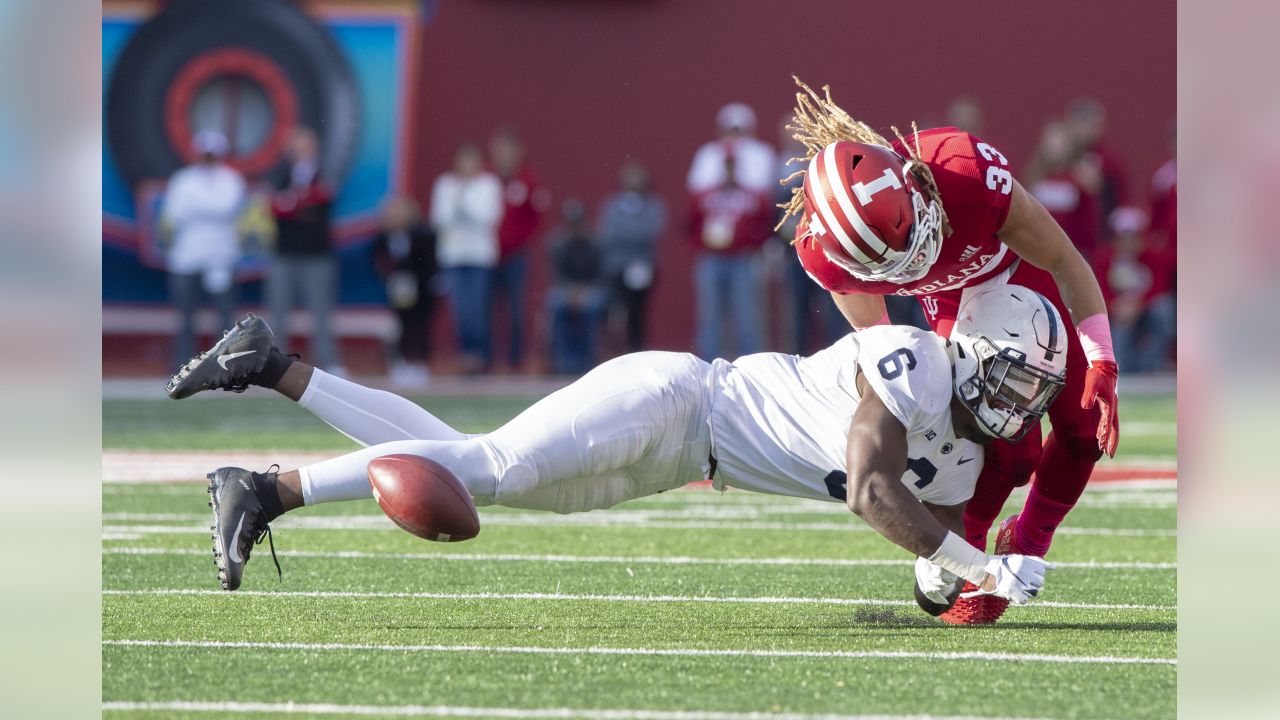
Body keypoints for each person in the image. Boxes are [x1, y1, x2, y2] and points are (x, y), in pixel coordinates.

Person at [166, 286, 1065, 620]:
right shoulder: (909, 358)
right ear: (976, 350)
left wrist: (953, 577)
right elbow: (874, 491)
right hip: (677, 398)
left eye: (1036, 393)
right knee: (484, 471)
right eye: (1017, 380)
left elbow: (924, 572)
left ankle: (269, 363)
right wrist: (978, 563)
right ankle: (267, 487)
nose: (1021, 406)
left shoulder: (970, 464)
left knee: (467, 458)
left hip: (683, 462)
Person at [780, 79, 1120, 624]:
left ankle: (1027, 541)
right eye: (896, 266)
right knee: (1007, 449)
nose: (916, 263)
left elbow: (1062, 256)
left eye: (916, 242)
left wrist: (1100, 356)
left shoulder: (961, 173)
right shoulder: (828, 256)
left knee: (1084, 427)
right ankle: (972, 557)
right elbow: (881, 342)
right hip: (952, 304)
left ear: (914, 186)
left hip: (1024, 274)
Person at [160, 130, 246, 367]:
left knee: (225, 317)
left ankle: (226, 366)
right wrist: (210, 207)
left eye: (213, 153)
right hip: (186, 257)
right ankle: (183, 364)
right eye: (205, 153)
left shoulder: (231, 178)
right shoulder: (182, 179)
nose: (208, 158)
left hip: (221, 257)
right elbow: (175, 213)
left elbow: (228, 208)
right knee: (186, 316)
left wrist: (196, 205)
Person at [267, 126, 341, 374]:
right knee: (278, 310)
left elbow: (320, 201)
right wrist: (297, 204)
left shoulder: (326, 171)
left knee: (321, 312)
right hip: (284, 251)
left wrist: (294, 203)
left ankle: (328, 362)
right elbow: (273, 206)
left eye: (305, 145)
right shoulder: (281, 172)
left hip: (316, 253)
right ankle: (275, 364)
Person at [688, 153, 774, 359]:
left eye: (731, 168)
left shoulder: (750, 197)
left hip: (741, 258)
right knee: (710, 314)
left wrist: (751, 242)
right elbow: (692, 222)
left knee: (747, 314)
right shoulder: (706, 196)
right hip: (712, 258)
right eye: (725, 168)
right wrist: (700, 243)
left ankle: (750, 362)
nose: (728, 173)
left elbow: (763, 223)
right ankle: (708, 361)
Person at [430, 143, 503, 372]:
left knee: (477, 310)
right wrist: (459, 199)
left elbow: (487, 217)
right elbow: (439, 219)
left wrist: (464, 202)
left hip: (479, 257)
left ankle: (482, 356)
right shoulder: (445, 184)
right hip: (453, 257)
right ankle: (466, 356)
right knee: (459, 310)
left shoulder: (489, 185)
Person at [489, 128, 551, 371]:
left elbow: (537, 216)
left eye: (509, 150)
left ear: (518, 152)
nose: (504, 155)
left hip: (516, 255)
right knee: (486, 309)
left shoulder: (528, 180)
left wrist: (521, 241)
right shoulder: (486, 178)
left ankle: (516, 360)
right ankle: (488, 360)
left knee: (517, 309)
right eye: (499, 150)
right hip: (487, 255)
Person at [1096, 208, 1176, 373]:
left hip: (1145, 309)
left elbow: (1159, 288)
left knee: (1164, 310)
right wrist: (1114, 305)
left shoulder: (1154, 257)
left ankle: (1152, 367)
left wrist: (1138, 304)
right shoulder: (1104, 258)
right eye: (1123, 238)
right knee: (1119, 326)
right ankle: (1122, 370)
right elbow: (1099, 288)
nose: (1128, 243)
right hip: (1118, 311)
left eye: (1133, 238)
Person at [596, 161, 665, 352]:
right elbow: (607, 233)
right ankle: (614, 349)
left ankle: (637, 347)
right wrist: (634, 231)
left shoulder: (653, 205)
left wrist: (627, 231)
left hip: (643, 265)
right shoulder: (612, 205)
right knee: (616, 309)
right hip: (616, 265)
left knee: (638, 310)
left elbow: (651, 230)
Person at [371, 195, 438, 388]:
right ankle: (402, 363)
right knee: (400, 324)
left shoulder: (423, 234)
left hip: (421, 286)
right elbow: (377, 261)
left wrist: (417, 280)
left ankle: (421, 363)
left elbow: (428, 262)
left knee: (420, 324)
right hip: (396, 287)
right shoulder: (382, 238)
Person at [1023, 121, 1103, 264]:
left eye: (1060, 141)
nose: (1055, 146)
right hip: (1042, 251)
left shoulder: (1079, 178)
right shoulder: (1036, 178)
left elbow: (1089, 221)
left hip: (1075, 252)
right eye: (1051, 141)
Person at [545, 199, 607, 374]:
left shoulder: (596, 244)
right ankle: (562, 361)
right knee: (556, 304)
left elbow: (601, 276)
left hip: (591, 291)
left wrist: (583, 293)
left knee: (592, 306)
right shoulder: (557, 244)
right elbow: (557, 276)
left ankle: (588, 360)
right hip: (566, 291)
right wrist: (571, 292)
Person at [1064, 97, 1129, 228]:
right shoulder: (1060, 157)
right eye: (1084, 123)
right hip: (1065, 226)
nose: (1089, 130)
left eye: (1095, 125)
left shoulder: (1109, 159)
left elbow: (1121, 195)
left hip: (1100, 229)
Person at [687, 102, 777, 194]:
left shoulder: (762, 153)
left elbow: (765, 185)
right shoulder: (708, 153)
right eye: (729, 132)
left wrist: (737, 178)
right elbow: (695, 184)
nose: (734, 137)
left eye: (740, 132)